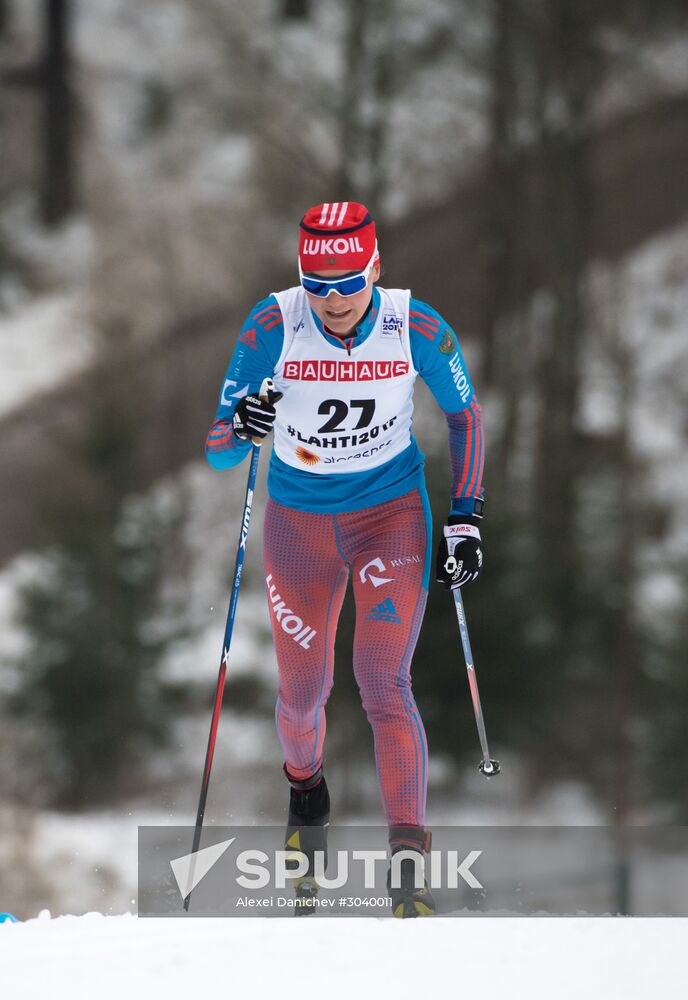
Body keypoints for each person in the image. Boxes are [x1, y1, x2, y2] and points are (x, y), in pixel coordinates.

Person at [205, 201, 484, 917]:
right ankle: (306, 796)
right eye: (316, 283)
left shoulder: (415, 326)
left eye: (347, 282)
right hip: (300, 526)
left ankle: (407, 866)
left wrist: (465, 516)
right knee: (302, 697)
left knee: (383, 682)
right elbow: (218, 449)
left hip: (390, 517)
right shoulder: (273, 325)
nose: (331, 300)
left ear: (375, 269)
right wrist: (243, 425)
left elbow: (465, 414)